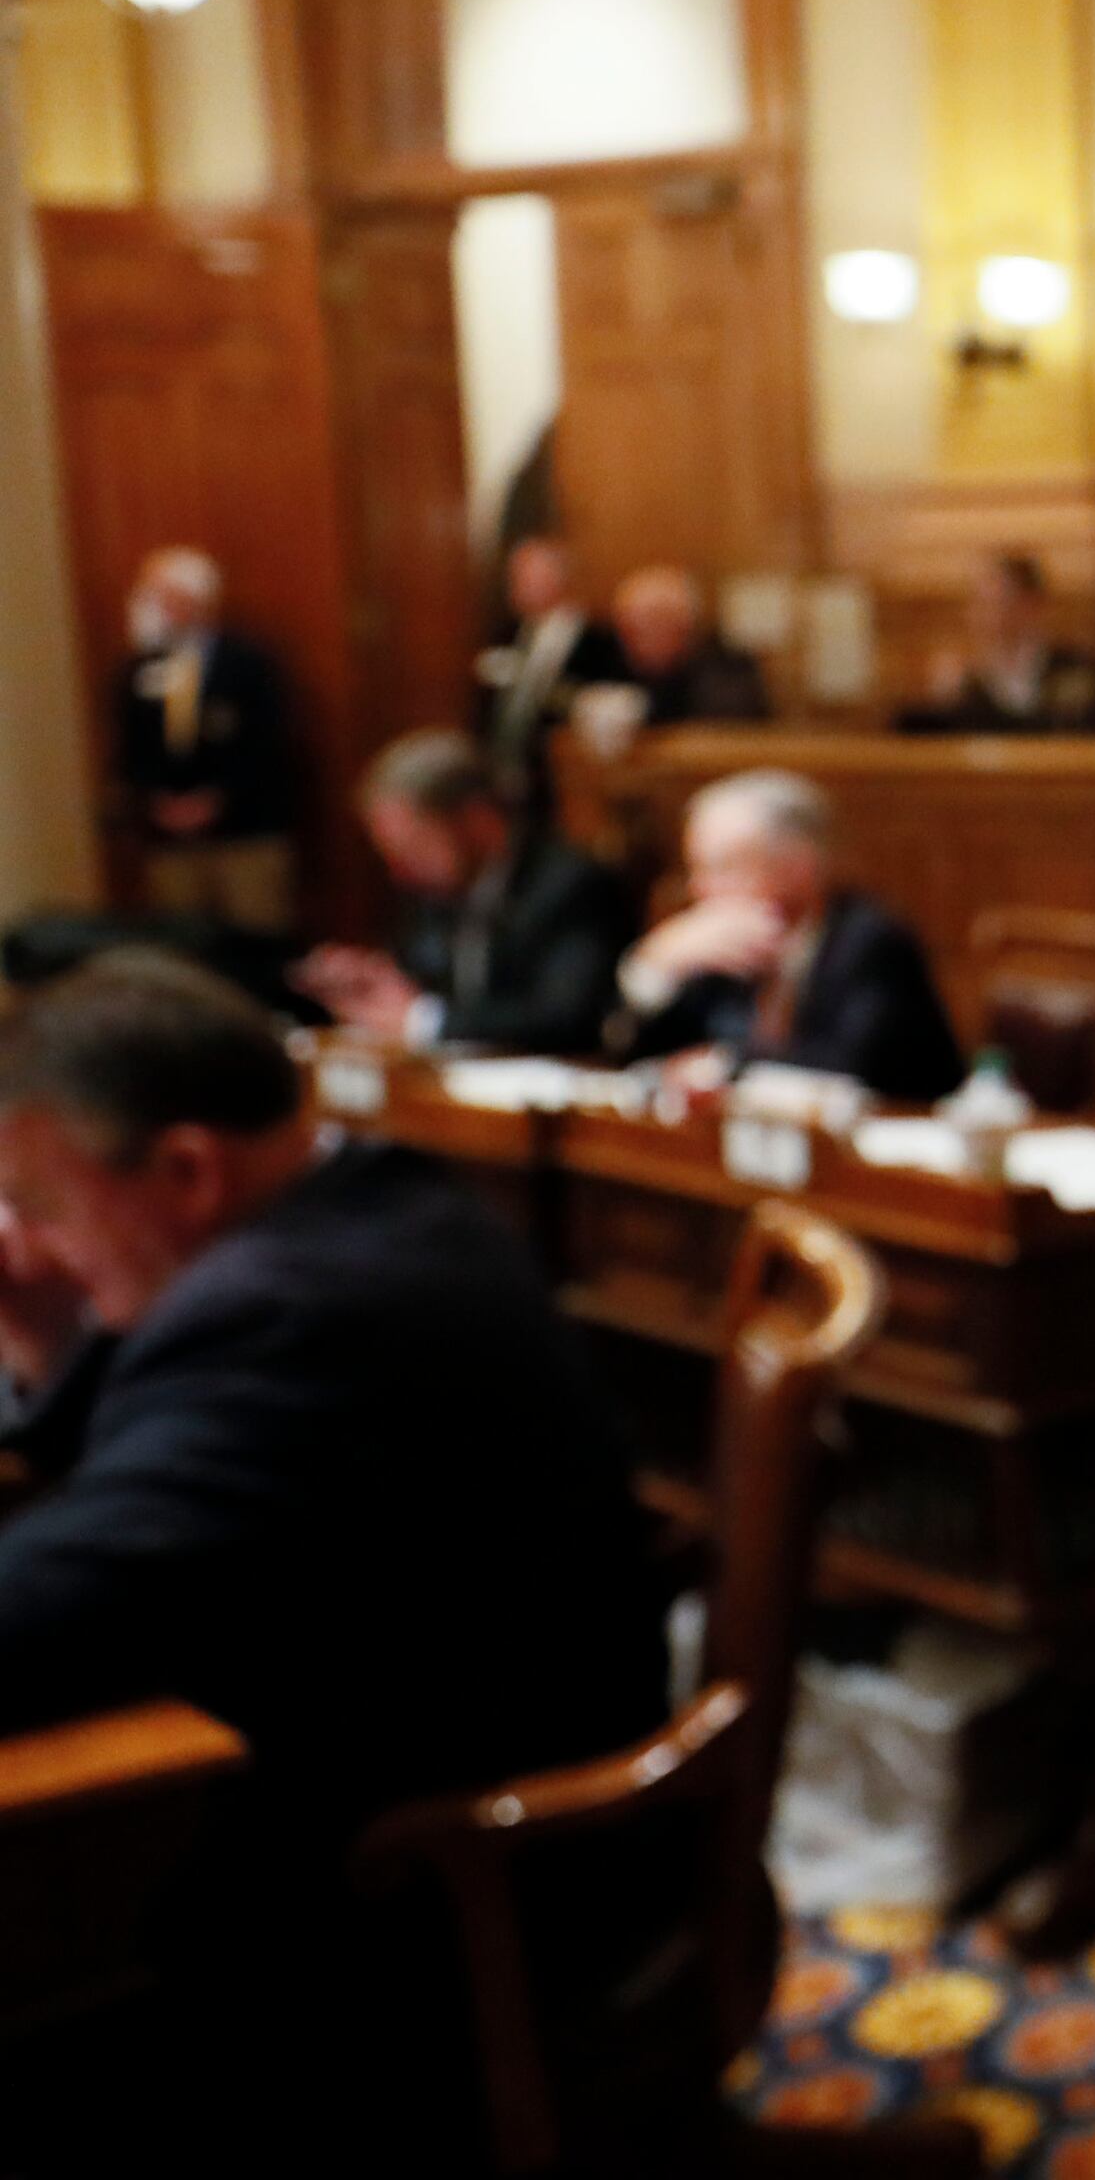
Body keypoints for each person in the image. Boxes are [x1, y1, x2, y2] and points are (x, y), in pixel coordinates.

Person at [0, 953, 665, 2150]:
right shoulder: (369, 1199)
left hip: (449, 1903)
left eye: (38, 1208)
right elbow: (146, 1463)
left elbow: (42, 1614)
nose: (30, 1245)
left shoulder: (283, 1315)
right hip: (469, 1784)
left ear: (188, 1170)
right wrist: (46, 1334)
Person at [619, 768, 967, 1102]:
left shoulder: (872, 942)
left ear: (799, 865)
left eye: (722, 867)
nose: (699, 888)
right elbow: (637, 1058)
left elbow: (851, 1069)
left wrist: (726, 1065)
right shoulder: (720, 945)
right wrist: (655, 968)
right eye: (695, 868)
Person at [295, 729, 642, 1058]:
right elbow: (424, 987)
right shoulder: (433, 895)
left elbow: (566, 1018)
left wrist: (423, 1021)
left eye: (413, 848)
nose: (398, 873)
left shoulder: (571, 885)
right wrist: (375, 982)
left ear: (476, 819)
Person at [111, 547, 300, 935]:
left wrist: (215, 801)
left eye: (160, 594)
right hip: (170, 841)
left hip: (245, 833)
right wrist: (157, 801)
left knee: (257, 938)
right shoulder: (138, 667)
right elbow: (130, 747)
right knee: (185, 942)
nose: (149, 604)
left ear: (195, 600)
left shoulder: (248, 662)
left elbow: (268, 745)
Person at [473, 536, 632, 811]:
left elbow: (599, 704)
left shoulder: (598, 640)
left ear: (558, 579)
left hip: (560, 782)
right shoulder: (509, 633)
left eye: (525, 577)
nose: (514, 586)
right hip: (504, 774)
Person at [903, 551, 1095, 733]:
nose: (985, 615)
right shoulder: (965, 685)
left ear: (1032, 604)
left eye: (997, 602)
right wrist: (945, 703)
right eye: (979, 603)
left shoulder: (1080, 671)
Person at [611, 564, 773, 726]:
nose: (631, 641)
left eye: (644, 627)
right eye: (627, 629)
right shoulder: (612, 668)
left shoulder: (730, 671)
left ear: (683, 626)